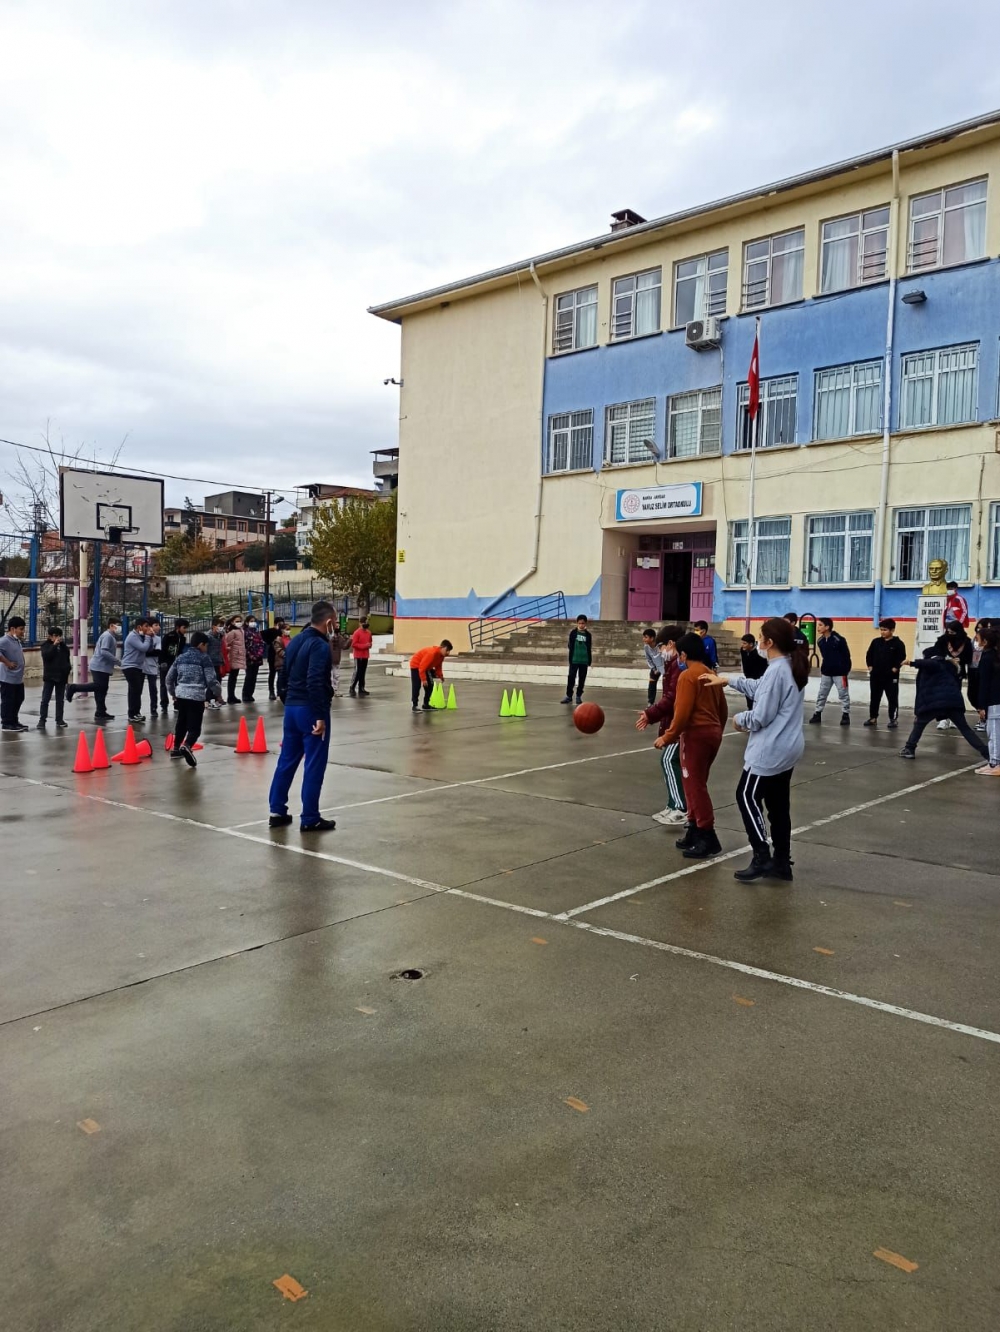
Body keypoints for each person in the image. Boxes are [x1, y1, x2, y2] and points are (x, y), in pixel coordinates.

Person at [702, 617, 808, 883]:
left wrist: (740, 720)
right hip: (787, 749)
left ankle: (762, 855)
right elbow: (759, 687)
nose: (758, 641)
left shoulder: (777, 671)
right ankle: (782, 863)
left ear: (769, 642)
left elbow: (761, 715)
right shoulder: (788, 667)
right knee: (777, 806)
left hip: (770, 751)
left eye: (760, 637)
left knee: (746, 796)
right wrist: (727, 680)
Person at [653, 631, 727, 859]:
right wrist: (717, 730)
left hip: (696, 735)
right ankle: (694, 830)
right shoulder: (709, 673)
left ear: (684, 654)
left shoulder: (687, 676)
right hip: (712, 733)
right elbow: (722, 710)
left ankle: (707, 834)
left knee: (695, 786)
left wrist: (667, 736)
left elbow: (682, 712)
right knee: (693, 783)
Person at [268, 600, 338, 832]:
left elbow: (284, 673)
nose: (335, 627)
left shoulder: (296, 640)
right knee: (314, 764)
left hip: (292, 708)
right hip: (310, 709)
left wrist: (286, 698)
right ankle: (310, 817)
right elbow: (316, 679)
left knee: (287, 759)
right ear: (328, 622)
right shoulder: (319, 645)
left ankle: (277, 811)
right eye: (335, 622)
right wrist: (319, 715)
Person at [635, 625, 685, 826]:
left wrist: (650, 713)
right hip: (671, 723)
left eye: (662, 646)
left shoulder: (679, 667)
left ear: (671, 644)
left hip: (679, 726)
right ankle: (672, 804)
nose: (660, 650)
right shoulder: (671, 666)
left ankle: (680, 807)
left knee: (668, 760)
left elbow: (672, 698)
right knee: (669, 762)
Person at [899, 653, 989, 762]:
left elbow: (929, 664)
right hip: (953, 702)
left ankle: (909, 748)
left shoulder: (935, 662)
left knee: (919, 724)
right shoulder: (949, 666)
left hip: (935, 702)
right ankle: (986, 753)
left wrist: (911, 663)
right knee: (965, 729)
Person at [165, 630, 222, 767]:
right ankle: (187, 745)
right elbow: (211, 680)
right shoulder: (204, 658)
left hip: (181, 695)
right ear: (201, 644)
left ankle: (176, 748)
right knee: (195, 727)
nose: (206, 649)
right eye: (206, 646)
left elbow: (169, 678)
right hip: (196, 696)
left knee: (182, 723)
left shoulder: (180, 658)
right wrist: (218, 693)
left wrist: (173, 693)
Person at [66, 617, 120, 721]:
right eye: (117, 625)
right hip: (99, 666)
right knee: (99, 686)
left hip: (103, 667)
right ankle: (73, 687)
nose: (119, 628)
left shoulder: (111, 636)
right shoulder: (107, 636)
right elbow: (104, 652)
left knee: (102, 690)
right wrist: (117, 661)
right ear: (111, 625)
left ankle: (100, 712)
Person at [925, 621, 972, 731]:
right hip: (943, 671)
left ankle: (954, 719)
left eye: (952, 632)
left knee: (955, 694)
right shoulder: (943, 640)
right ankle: (942, 719)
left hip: (957, 672)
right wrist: (946, 658)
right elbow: (936, 653)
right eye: (948, 632)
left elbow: (969, 657)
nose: (949, 634)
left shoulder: (966, 641)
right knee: (942, 695)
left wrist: (960, 659)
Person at [864, 618, 906, 729]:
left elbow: (902, 658)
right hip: (876, 675)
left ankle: (893, 719)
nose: (882, 632)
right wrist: (870, 666)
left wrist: (895, 668)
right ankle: (873, 718)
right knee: (874, 697)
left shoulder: (898, 644)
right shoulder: (876, 642)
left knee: (892, 698)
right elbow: (869, 655)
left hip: (890, 677)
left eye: (885, 630)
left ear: (892, 630)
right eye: (881, 630)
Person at [809, 617, 851, 726]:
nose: (818, 627)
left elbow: (846, 656)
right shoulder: (820, 641)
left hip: (840, 672)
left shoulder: (839, 640)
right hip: (826, 672)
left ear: (827, 627)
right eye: (818, 625)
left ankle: (845, 714)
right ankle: (818, 713)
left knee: (843, 693)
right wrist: (824, 670)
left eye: (820, 625)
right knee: (822, 693)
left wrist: (845, 671)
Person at [974, 626, 1000, 776]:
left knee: (994, 733)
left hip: (993, 702)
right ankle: (993, 762)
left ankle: (995, 763)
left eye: (978, 639)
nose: (976, 642)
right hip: (996, 700)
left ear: (985, 641)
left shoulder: (988, 657)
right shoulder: (996, 655)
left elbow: (984, 683)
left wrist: (981, 706)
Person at [37, 626, 71, 729]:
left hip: (61, 676)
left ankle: (59, 719)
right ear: (50, 636)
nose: (58, 638)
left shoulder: (63, 647)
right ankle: (42, 720)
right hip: (50, 676)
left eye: (59, 636)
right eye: (55, 636)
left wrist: (67, 670)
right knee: (45, 699)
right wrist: (54, 645)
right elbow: (47, 656)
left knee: (60, 699)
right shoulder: (45, 646)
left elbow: (67, 659)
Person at [122, 618, 153, 722]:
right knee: (135, 690)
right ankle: (132, 713)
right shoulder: (132, 637)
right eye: (146, 626)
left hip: (138, 666)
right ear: (139, 627)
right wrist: (148, 637)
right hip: (130, 666)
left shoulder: (141, 636)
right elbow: (143, 648)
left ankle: (136, 712)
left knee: (136, 690)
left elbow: (149, 649)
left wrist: (150, 637)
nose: (148, 628)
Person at [0, 616, 28, 731]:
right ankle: (6, 723)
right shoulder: (4, 640)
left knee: (19, 699)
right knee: (8, 701)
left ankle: (14, 721)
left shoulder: (16, 640)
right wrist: (7, 663)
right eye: (21, 629)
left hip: (18, 678)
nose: (23, 631)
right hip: (8, 678)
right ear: (13, 628)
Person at [409, 641, 454, 711]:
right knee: (416, 685)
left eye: (449, 651)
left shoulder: (441, 656)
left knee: (430, 685)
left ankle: (426, 704)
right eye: (447, 650)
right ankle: (415, 705)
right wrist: (424, 679)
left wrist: (440, 676)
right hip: (416, 665)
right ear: (442, 647)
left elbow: (438, 666)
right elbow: (422, 667)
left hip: (426, 668)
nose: (448, 653)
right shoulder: (431, 653)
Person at [159, 619, 189, 712]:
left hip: (177, 664)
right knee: (164, 684)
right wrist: (162, 662)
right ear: (178, 627)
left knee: (178, 683)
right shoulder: (169, 636)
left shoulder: (183, 638)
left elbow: (180, 652)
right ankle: (164, 704)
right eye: (184, 628)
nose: (185, 630)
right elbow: (162, 650)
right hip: (166, 663)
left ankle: (177, 704)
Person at [561, 614, 592, 704]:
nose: (581, 625)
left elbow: (589, 647)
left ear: (585, 623)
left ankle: (578, 696)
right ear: (577, 623)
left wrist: (589, 660)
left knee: (582, 679)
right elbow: (570, 645)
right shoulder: (573, 633)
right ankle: (569, 696)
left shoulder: (588, 635)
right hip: (574, 660)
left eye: (583, 623)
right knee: (571, 677)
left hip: (584, 660)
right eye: (579, 623)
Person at [967, 620, 990, 732]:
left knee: (983, 694)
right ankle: (981, 714)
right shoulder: (972, 641)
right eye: (977, 628)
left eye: (981, 628)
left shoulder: (989, 642)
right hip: (972, 670)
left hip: (983, 670)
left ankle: (984, 719)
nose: (978, 630)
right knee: (971, 695)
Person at [242, 614, 266, 702]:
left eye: (254, 621)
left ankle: (250, 694)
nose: (253, 623)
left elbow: (261, 644)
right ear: (247, 622)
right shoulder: (245, 632)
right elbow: (245, 646)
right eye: (251, 621)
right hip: (249, 658)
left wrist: (258, 654)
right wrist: (251, 655)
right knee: (249, 676)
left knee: (254, 677)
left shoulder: (257, 632)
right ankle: (245, 694)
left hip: (257, 658)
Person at [262, 618, 287, 699]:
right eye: (279, 623)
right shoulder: (271, 631)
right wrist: (269, 642)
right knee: (272, 673)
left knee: (281, 674)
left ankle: (279, 691)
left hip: (281, 657)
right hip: (272, 655)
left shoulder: (283, 632)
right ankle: (271, 691)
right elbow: (262, 635)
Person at [205, 617, 227, 709]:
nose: (221, 628)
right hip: (210, 662)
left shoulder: (219, 635)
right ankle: (208, 700)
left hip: (218, 661)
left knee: (217, 681)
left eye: (222, 626)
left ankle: (215, 699)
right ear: (213, 626)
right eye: (219, 626)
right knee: (211, 682)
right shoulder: (208, 636)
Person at [224, 615, 246, 704]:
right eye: (237, 621)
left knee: (234, 677)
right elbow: (226, 643)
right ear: (232, 622)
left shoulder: (241, 631)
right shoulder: (232, 632)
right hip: (233, 657)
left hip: (238, 657)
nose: (239, 622)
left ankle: (232, 696)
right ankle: (230, 696)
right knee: (232, 677)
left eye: (240, 621)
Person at [349, 616, 373, 697]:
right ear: (360, 623)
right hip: (358, 656)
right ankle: (352, 687)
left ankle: (361, 688)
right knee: (357, 672)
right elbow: (354, 644)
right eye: (364, 622)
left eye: (366, 622)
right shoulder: (356, 633)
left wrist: (369, 645)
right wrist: (364, 646)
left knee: (363, 672)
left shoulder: (369, 633)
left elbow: (370, 642)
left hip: (365, 655)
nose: (365, 624)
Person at [143, 619, 161, 717]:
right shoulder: (142, 637)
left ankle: (154, 708)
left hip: (152, 667)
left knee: (153, 689)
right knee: (137, 689)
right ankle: (135, 711)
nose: (158, 627)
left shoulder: (158, 639)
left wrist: (145, 651)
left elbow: (157, 652)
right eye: (156, 625)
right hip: (140, 666)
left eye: (158, 625)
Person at [328, 624, 352, 697]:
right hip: (332, 659)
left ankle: (334, 690)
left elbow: (344, 646)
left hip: (333, 659)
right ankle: (332, 690)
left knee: (334, 675)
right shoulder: (331, 637)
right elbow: (344, 646)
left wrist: (348, 640)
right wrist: (348, 640)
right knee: (333, 676)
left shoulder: (336, 637)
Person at [642, 627, 662, 705]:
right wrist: (654, 669)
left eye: (646, 637)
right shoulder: (646, 647)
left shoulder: (660, 645)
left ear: (652, 638)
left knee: (667, 684)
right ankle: (650, 702)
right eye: (643, 637)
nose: (644, 639)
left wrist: (660, 669)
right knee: (652, 683)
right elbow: (648, 659)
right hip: (655, 667)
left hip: (664, 666)